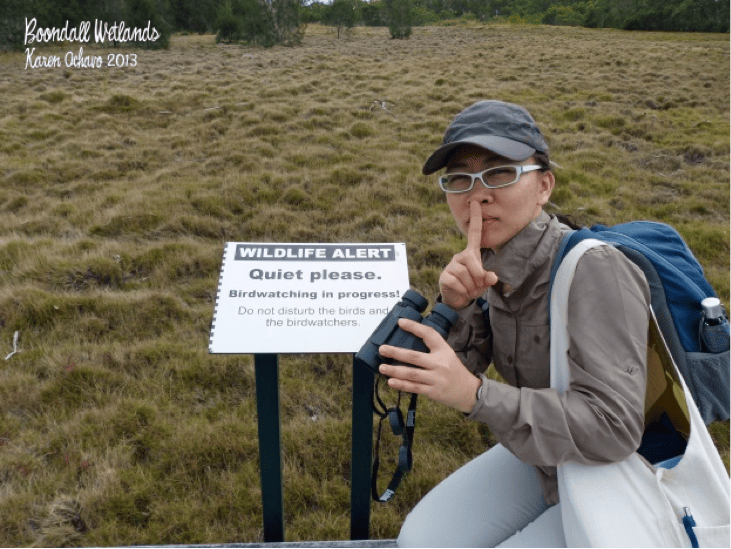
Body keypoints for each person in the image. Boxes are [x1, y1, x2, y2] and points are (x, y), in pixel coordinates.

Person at [377, 100, 651, 547]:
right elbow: (463, 369)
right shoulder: (487, 265)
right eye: (459, 178)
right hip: (545, 456)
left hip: (619, 469)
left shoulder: (594, 270)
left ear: (544, 186)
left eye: (500, 173)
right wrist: (455, 306)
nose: (476, 195)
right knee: (422, 539)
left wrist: (477, 397)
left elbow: (614, 427)